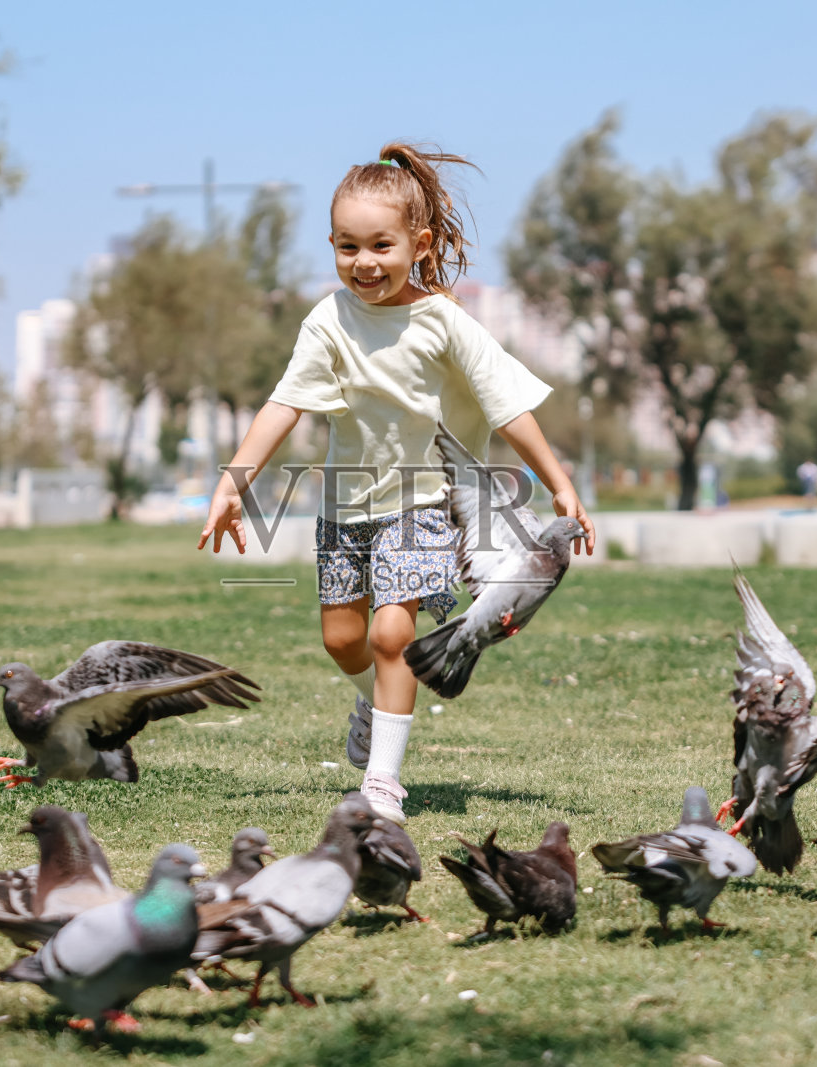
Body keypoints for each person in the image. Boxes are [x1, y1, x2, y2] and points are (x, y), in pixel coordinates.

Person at [197, 143, 594, 824]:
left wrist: (556, 481)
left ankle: (382, 782)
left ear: (419, 242)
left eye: (381, 244)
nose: (365, 262)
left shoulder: (444, 322)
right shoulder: (328, 320)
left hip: (425, 503)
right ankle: (374, 701)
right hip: (346, 508)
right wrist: (236, 480)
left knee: (389, 637)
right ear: (331, 246)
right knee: (342, 639)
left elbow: (509, 407)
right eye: (347, 247)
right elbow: (284, 404)